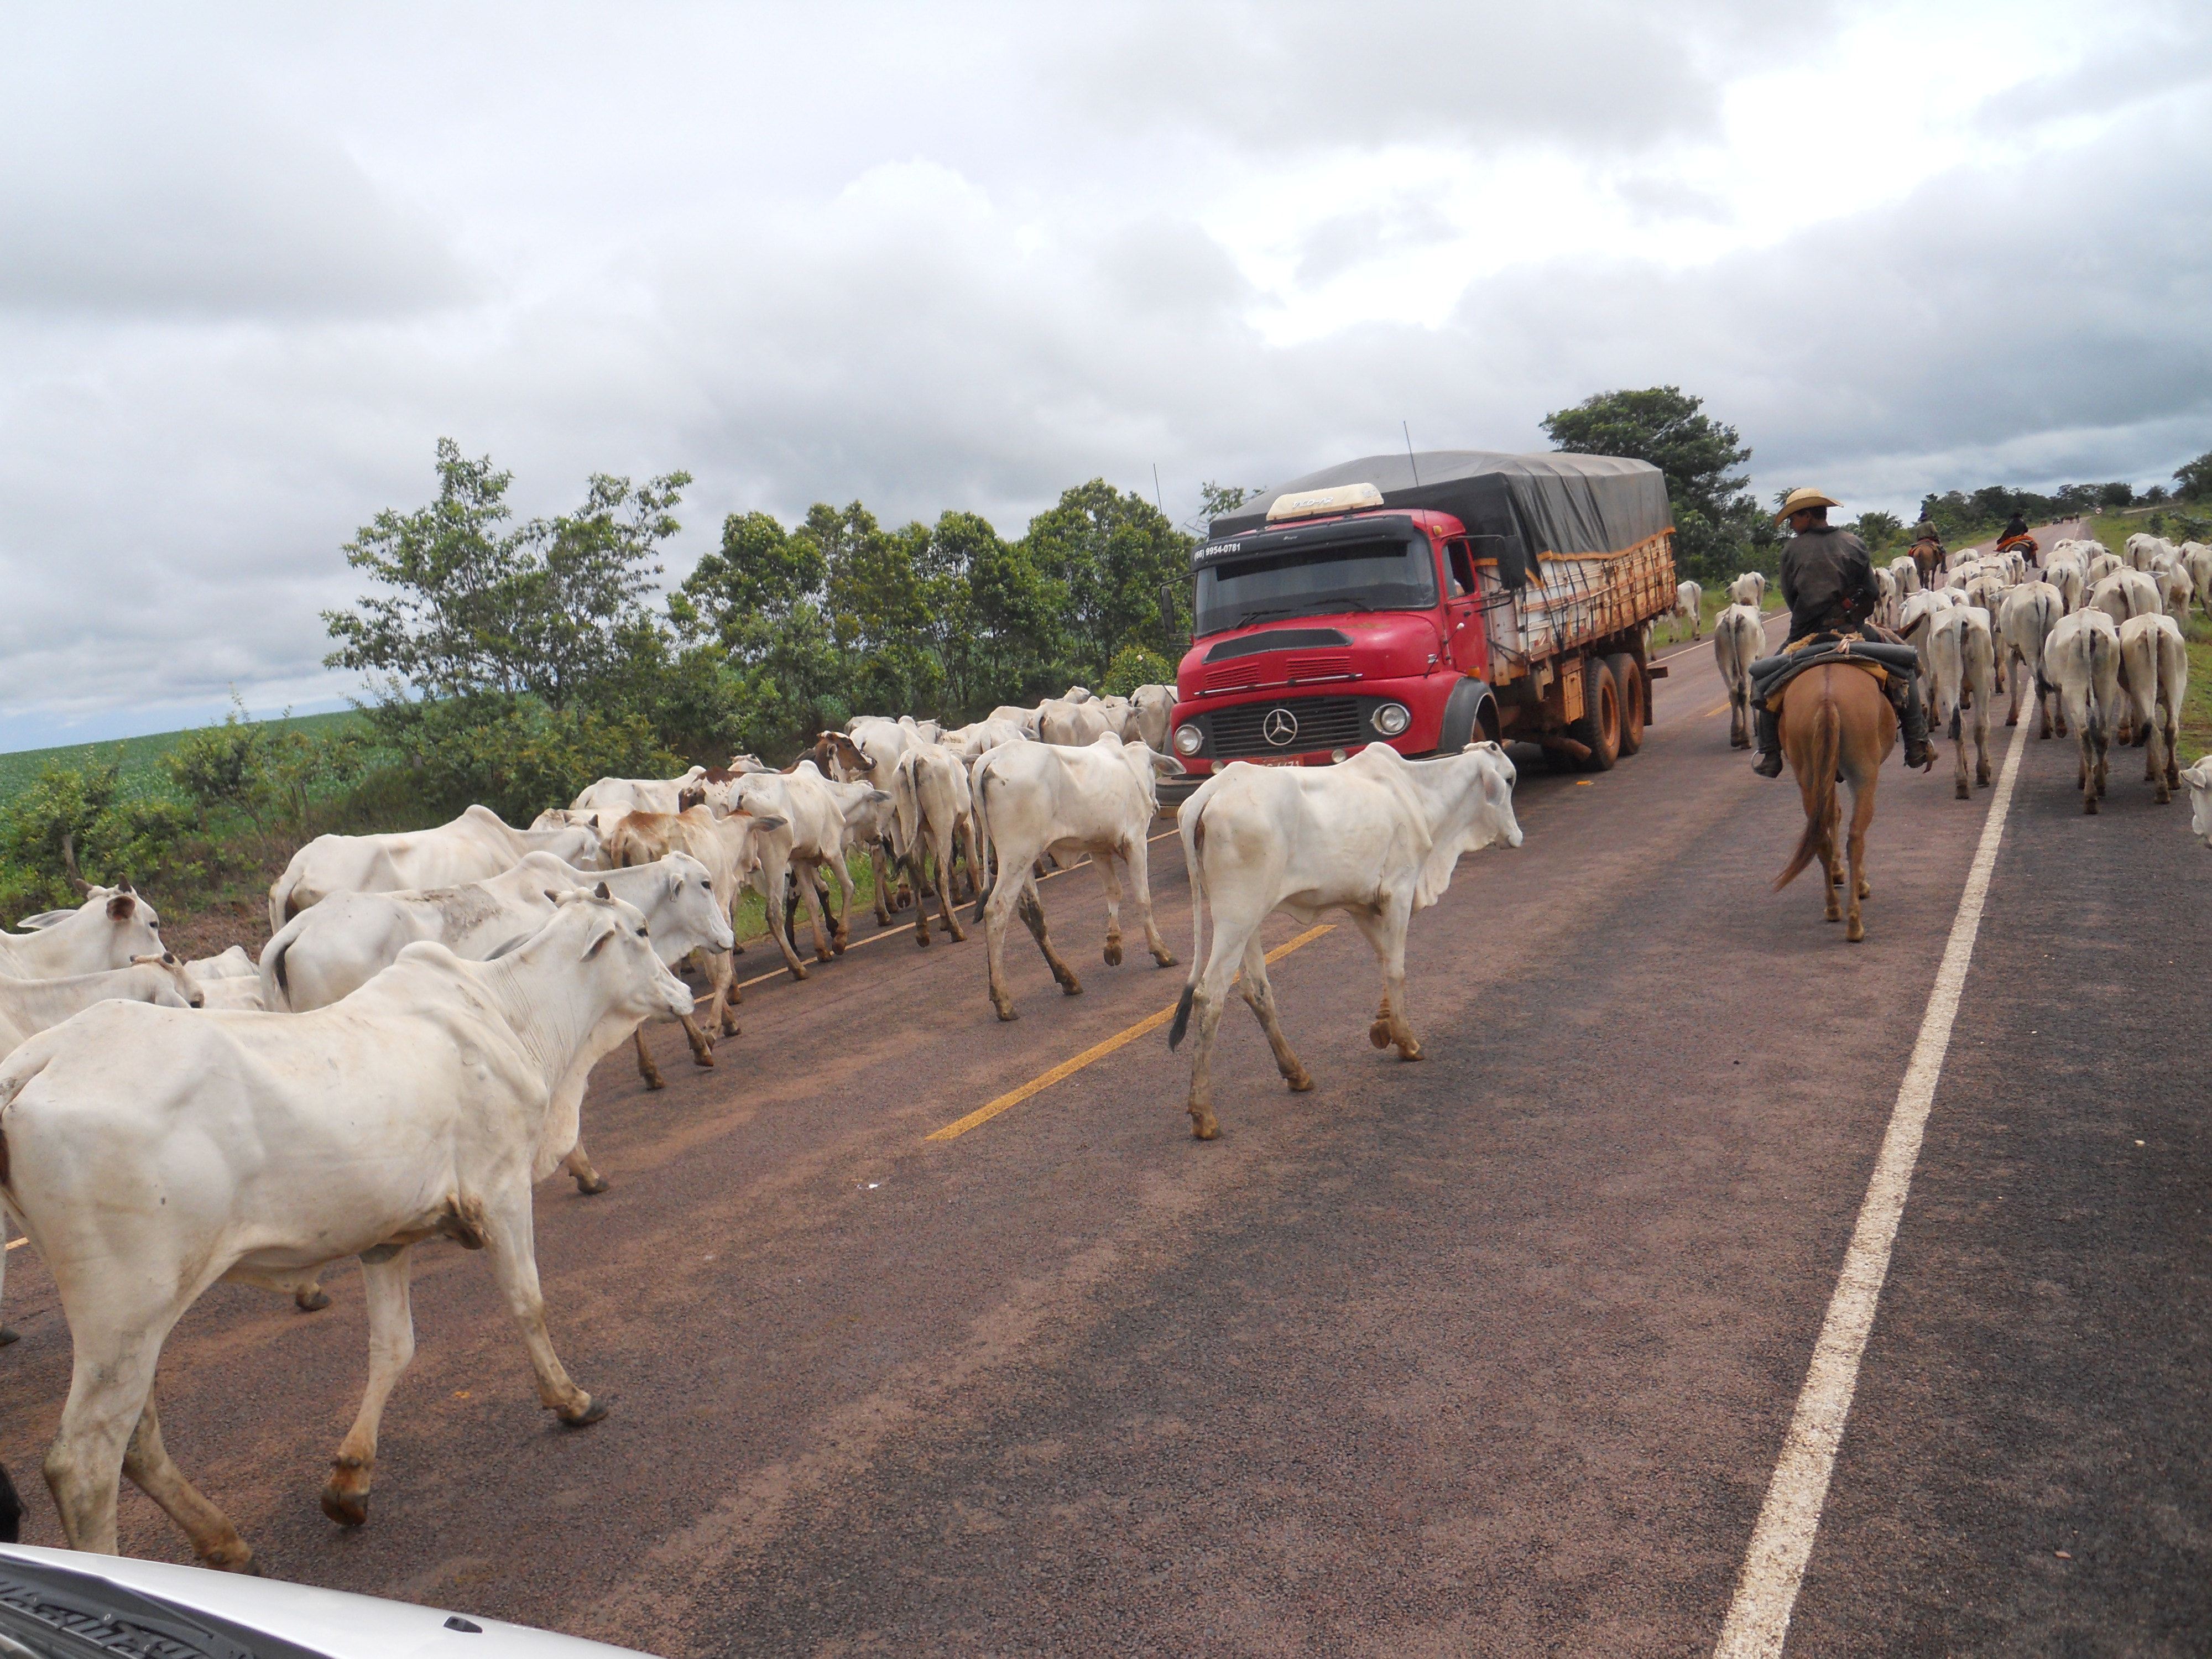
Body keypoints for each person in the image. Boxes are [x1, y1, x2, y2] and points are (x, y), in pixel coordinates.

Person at [1752, 487, 1934, 778]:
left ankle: (1770, 753)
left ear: (1807, 515)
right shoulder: (1854, 543)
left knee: (1762, 683)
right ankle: (1916, 741)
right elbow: (1873, 592)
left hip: (1804, 636)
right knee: (1906, 668)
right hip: (1854, 633)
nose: (1791, 525)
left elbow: (1790, 597)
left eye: (1792, 519)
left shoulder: (1791, 551)